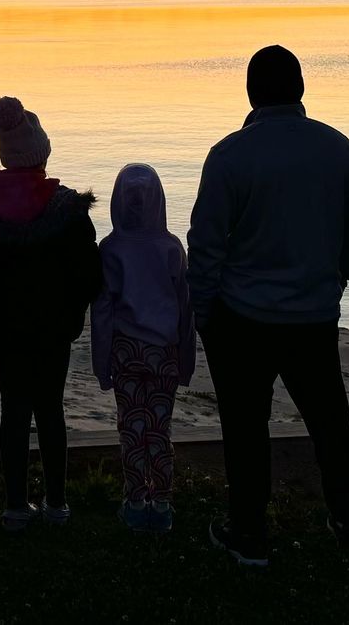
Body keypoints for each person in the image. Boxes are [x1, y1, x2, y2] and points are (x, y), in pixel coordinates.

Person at [188, 45, 349, 567]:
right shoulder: (339, 150)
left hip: (242, 316)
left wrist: (203, 313)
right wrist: (338, 276)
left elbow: (206, 245)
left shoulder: (230, 155)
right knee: (330, 422)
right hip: (313, 312)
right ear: (301, 90)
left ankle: (249, 533)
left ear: (250, 92)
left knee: (245, 429)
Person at [0, 96, 101, 531]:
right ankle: (57, 503)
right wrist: (74, 315)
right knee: (51, 410)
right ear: (42, 153)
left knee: (14, 410)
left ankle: (15, 506)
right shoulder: (67, 210)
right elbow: (89, 274)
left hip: (6, 329)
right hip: (53, 328)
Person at [91, 164, 195, 535]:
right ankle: (162, 503)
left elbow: (102, 311)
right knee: (159, 429)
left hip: (126, 353)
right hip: (164, 352)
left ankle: (136, 503)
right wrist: (186, 360)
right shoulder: (171, 248)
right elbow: (185, 309)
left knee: (132, 429)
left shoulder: (110, 249)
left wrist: (101, 363)